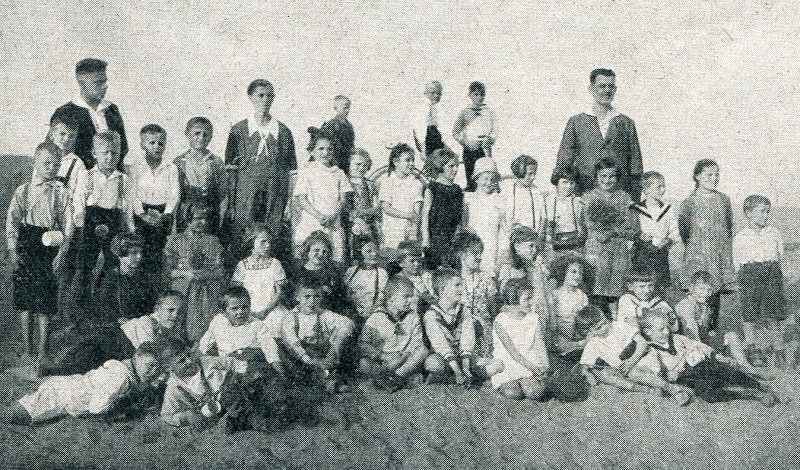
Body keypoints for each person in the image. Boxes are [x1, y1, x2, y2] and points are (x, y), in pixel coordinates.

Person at [6, 142, 74, 367]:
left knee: (44, 303)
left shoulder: (62, 193)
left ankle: (43, 351)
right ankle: (28, 349)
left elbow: (69, 226)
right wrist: (13, 249)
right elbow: (12, 221)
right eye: (46, 163)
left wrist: (62, 252)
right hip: (27, 246)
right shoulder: (23, 191)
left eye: (56, 164)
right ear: (34, 163)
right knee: (26, 303)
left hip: (49, 249)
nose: (51, 168)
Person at [223, 79, 297, 270]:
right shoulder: (239, 130)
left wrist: (288, 202)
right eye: (260, 95)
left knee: (272, 235)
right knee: (244, 234)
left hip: (275, 193)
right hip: (246, 194)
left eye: (269, 95)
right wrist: (231, 203)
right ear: (251, 97)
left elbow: (292, 172)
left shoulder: (283, 131)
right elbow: (231, 171)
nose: (265, 100)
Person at [634, 309, 777, 406]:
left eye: (667, 327)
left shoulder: (677, 338)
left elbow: (699, 346)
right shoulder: (651, 349)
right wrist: (667, 374)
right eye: (661, 329)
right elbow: (654, 369)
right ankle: (749, 395)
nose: (666, 331)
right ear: (648, 331)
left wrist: (717, 356)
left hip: (701, 365)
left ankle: (758, 385)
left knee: (725, 370)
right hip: (687, 377)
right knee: (708, 394)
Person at [0, 342, 163, 425]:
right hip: (63, 395)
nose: (153, 371)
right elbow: (96, 408)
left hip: (71, 384)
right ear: (136, 357)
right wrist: (118, 407)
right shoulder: (120, 379)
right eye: (150, 365)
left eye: (158, 368)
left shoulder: (124, 368)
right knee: (11, 416)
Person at [553, 68, 643, 200]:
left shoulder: (626, 123)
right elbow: (564, 163)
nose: (607, 90)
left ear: (615, 89)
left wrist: (634, 200)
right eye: (602, 86)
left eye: (611, 86)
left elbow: (636, 166)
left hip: (618, 197)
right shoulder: (576, 122)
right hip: (584, 195)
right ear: (591, 89)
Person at [75, 131, 135, 312]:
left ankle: (107, 308)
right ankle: (81, 312)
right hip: (90, 224)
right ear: (94, 153)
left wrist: (131, 230)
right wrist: (80, 225)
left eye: (114, 153)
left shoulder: (123, 180)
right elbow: (78, 202)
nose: (110, 157)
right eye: (105, 153)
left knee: (112, 265)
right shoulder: (87, 176)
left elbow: (127, 209)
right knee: (85, 266)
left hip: (114, 224)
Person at [678, 159, 734, 333]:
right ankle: (692, 329)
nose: (714, 178)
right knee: (697, 289)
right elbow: (684, 229)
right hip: (698, 252)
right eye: (709, 175)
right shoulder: (689, 202)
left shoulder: (724, 200)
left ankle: (712, 330)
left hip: (718, 253)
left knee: (714, 290)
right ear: (697, 176)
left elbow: (728, 225)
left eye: (717, 174)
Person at [733, 195, 789, 368]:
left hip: (771, 273)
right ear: (748, 213)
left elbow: (779, 255)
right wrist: (745, 277)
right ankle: (752, 348)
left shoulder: (774, 233)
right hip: (749, 274)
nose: (766, 216)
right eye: (761, 212)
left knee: (774, 314)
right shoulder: (741, 237)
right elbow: (738, 262)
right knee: (749, 314)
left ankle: (779, 350)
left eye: (768, 212)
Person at [423, 268, 502, 386]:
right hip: (445, 358)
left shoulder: (464, 310)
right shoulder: (431, 314)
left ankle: (463, 377)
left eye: (461, 285)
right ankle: (461, 377)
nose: (461, 289)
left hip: (463, 357)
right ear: (443, 289)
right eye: (457, 285)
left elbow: (467, 340)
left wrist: (465, 367)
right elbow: (441, 345)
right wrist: (458, 371)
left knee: (498, 365)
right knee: (433, 364)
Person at [582, 157, 639, 316]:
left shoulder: (624, 197)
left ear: (617, 178)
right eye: (603, 176)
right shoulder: (589, 197)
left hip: (618, 247)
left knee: (616, 286)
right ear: (597, 177)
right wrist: (606, 231)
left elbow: (629, 225)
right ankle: (598, 318)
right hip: (597, 246)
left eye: (611, 176)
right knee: (597, 284)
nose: (607, 180)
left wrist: (616, 231)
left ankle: (616, 320)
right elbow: (588, 224)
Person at [47, 113, 89, 325]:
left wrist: (69, 234)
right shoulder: (44, 157)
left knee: (64, 270)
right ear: (52, 133)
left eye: (71, 136)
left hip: (67, 224)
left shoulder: (77, 165)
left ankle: (63, 315)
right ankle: (45, 313)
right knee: (46, 269)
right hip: (45, 223)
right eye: (62, 134)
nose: (65, 139)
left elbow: (78, 201)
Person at [50, 58, 128, 170]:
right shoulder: (65, 112)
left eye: (105, 81)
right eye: (98, 82)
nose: (105, 86)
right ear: (81, 83)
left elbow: (123, 147)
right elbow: (52, 152)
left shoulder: (112, 110)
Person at [674, 271, 757, 375]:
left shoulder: (704, 305)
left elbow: (707, 327)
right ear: (691, 288)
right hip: (688, 345)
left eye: (709, 290)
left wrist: (711, 333)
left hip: (701, 340)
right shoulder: (686, 306)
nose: (705, 293)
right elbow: (691, 335)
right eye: (701, 289)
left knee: (731, 335)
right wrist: (711, 351)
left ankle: (747, 368)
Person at [280, 280, 356, 393]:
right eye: (307, 296)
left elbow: (347, 323)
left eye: (317, 296)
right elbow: (293, 344)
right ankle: (323, 382)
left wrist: (334, 350)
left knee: (345, 334)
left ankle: (328, 378)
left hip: (323, 354)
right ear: (297, 298)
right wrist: (310, 360)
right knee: (294, 366)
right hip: (302, 357)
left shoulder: (323, 314)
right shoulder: (291, 318)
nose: (312, 301)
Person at [164, 204, 225, 342]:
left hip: (206, 293)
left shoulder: (213, 241)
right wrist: (185, 273)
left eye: (205, 218)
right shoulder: (175, 241)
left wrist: (206, 275)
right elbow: (167, 272)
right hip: (182, 290)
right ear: (188, 218)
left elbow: (221, 271)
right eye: (198, 218)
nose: (203, 222)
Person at [127, 124, 179, 281]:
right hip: (141, 215)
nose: (157, 147)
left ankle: (157, 288)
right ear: (142, 145)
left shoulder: (171, 168)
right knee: (140, 252)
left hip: (163, 215)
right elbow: (132, 192)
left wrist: (167, 214)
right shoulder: (136, 167)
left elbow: (174, 194)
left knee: (159, 254)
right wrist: (141, 214)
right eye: (152, 143)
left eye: (161, 143)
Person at [359, 276, 429, 392]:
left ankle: (396, 378)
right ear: (391, 298)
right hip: (384, 360)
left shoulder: (413, 316)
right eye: (406, 297)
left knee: (423, 350)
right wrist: (381, 355)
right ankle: (398, 378)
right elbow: (363, 343)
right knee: (364, 363)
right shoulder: (376, 317)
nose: (410, 301)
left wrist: (403, 357)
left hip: (404, 359)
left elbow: (417, 341)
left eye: (412, 296)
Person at [293, 127, 352, 263]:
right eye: (321, 149)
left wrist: (332, 216)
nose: (325, 153)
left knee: (334, 257)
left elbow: (343, 200)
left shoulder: (339, 173)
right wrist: (319, 216)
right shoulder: (307, 171)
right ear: (311, 151)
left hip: (333, 222)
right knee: (308, 258)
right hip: (313, 221)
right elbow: (302, 199)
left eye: (329, 149)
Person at [197, 287, 283, 373]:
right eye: (234, 308)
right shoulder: (218, 321)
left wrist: (279, 371)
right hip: (227, 366)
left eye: (245, 307)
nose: (240, 312)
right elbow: (205, 343)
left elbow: (270, 348)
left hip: (251, 365)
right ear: (224, 311)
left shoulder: (257, 325)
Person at [492, 279, 549, 401]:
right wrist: (532, 368)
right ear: (513, 301)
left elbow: (540, 344)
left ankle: (526, 381)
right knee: (513, 393)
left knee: (535, 393)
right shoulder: (500, 321)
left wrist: (545, 365)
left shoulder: (533, 318)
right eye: (527, 299)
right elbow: (513, 353)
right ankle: (517, 382)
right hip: (509, 361)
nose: (531, 302)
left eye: (531, 298)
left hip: (530, 358)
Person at [174, 117, 225, 235]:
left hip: (209, 213)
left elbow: (222, 190)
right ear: (187, 134)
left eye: (205, 134)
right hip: (186, 213)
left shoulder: (216, 161)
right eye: (197, 133)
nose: (201, 138)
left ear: (211, 137)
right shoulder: (179, 162)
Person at [450, 232, 498, 358]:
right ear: (462, 254)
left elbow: (493, 310)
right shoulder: (452, 279)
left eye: (480, 253)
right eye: (475, 253)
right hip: (460, 333)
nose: (479, 257)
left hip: (483, 334)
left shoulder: (485, 278)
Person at [630, 171, 679, 293]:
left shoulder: (667, 209)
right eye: (659, 187)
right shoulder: (635, 210)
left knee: (660, 287)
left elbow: (674, 230)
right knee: (643, 285)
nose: (662, 190)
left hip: (661, 254)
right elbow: (629, 231)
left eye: (664, 186)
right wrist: (639, 235)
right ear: (646, 190)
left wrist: (669, 240)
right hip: (642, 254)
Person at [94, 233, 159, 323]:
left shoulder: (145, 278)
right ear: (120, 255)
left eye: (140, 252)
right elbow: (105, 309)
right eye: (134, 253)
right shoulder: (110, 279)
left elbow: (152, 305)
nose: (139, 257)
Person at [230, 228, 287, 324]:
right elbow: (237, 292)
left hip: (271, 309)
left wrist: (267, 311)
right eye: (263, 241)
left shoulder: (275, 263)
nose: (268, 245)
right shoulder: (242, 265)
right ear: (251, 242)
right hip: (247, 309)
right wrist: (247, 310)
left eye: (269, 242)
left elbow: (280, 292)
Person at [292, 231, 351, 318]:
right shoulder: (298, 273)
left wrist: (331, 292)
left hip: (327, 316)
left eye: (324, 252)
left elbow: (341, 300)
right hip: (304, 315)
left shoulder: (332, 273)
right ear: (307, 250)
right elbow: (293, 299)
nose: (320, 254)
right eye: (316, 250)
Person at [421, 147, 463, 268]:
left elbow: (461, 218)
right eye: (451, 166)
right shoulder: (432, 188)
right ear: (440, 166)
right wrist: (425, 239)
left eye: (457, 166)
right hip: (436, 238)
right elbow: (425, 216)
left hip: (453, 238)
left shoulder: (457, 190)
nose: (455, 170)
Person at [462, 157, 505, 275]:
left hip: (491, 246)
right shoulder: (467, 199)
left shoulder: (499, 200)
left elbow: (504, 228)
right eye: (485, 179)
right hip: (472, 245)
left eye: (492, 179)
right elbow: (463, 224)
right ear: (476, 179)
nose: (489, 182)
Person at [452, 81, 496, 191]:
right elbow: (455, 132)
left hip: (484, 148)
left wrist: (490, 139)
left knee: (486, 173)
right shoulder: (464, 112)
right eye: (476, 94)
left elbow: (495, 130)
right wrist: (466, 142)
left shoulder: (489, 112)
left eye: (482, 94)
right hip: (470, 148)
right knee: (472, 177)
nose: (479, 97)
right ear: (470, 95)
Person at [379, 143, 424, 249]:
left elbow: (416, 211)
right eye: (407, 160)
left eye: (413, 160)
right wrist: (408, 215)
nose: (412, 163)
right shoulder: (387, 182)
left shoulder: (416, 183)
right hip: (392, 231)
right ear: (395, 162)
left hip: (409, 231)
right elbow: (386, 208)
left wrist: (414, 231)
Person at [346, 148, 381, 258]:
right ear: (349, 163)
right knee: (353, 254)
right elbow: (346, 209)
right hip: (350, 225)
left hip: (369, 226)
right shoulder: (345, 182)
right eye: (358, 164)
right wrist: (358, 220)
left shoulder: (370, 185)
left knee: (370, 253)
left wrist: (361, 213)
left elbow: (377, 208)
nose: (361, 168)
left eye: (365, 165)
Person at [545, 168, 586, 257]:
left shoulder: (578, 202)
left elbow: (582, 227)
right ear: (556, 182)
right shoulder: (549, 201)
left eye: (572, 183)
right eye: (565, 182)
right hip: (554, 246)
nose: (569, 186)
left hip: (574, 245)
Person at [503, 155, 547, 237]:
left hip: (532, 239)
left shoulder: (537, 192)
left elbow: (543, 218)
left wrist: (539, 238)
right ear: (520, 172)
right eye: (530, 174)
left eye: (534, 174)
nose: (533, 177)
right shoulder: (507, 191)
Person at [345, 240, 389, 322]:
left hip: (373, 317)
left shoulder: (382, 273)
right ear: (360, 254)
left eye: (375, 250)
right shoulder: (350, 272)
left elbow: (383, 298)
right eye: (369, 251)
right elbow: (346, 295)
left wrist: (371, 313)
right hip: (352, 316)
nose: (374, 254)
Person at [320, 95, 355, 173]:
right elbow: (328, 145)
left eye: (348, 108)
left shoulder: (349, 126)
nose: (347, 110)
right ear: (336, 108)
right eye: (344, 108)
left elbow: (351, 145)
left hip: (346, 161)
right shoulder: (331, 125)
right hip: (335, 162)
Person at [413, 81, 445, 157]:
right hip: (428, 140)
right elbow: (420, 129)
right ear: (425, 93)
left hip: (433, 137)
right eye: (432, 93)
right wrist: (423, 149)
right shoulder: (424, 106)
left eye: (439, 93)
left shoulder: (433, 107)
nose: (436, 95)